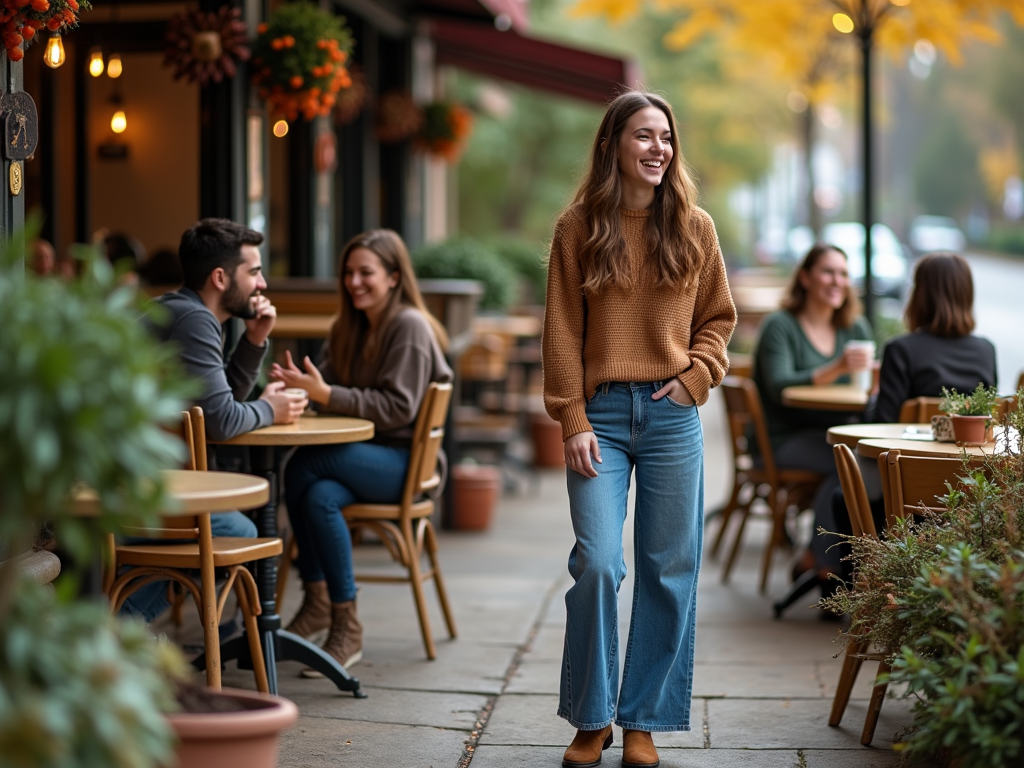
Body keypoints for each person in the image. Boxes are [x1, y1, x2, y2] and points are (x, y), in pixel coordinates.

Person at [542, 90, 736, 768]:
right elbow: (563, 329)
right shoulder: (578, 227)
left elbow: (718, 318)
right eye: (644, 136)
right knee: (597, 563)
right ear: (614, 146)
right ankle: (592, 718)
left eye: (666, 138)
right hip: (599, 417)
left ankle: (643, 721)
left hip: (672, 415)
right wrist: (570, 416)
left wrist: (695, 378)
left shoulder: (695, 227)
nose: (659, 149)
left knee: (669, 569)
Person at [270, 229, 453, 674]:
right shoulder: (348, 327)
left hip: (403, 463)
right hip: (365, 458)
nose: (354, 282)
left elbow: (396, 408)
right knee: (318, 495)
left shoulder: (408, 325)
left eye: (365, 273)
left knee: (303, 465)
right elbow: (326, 387)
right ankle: (340, 619)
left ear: (393, 277)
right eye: (348, 273)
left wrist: (325, 393)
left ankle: (320, 604)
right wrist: (295, 391)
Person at [121, 218, 307, 622]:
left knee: (231, 527)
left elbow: (215, 410)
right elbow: (222, 422)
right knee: (238, 532)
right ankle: (121, 628)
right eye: (254, 272)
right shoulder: (193, 320)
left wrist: (254, 340)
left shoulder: (185, 312)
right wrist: (270, 410)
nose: (262, 285)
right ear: (221, 277)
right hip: (126, 490)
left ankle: (124, 625)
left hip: (127, 480)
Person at [751, 243, 873, 593]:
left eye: (844, 273)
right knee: (846, 463)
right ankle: (823, 564)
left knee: (855, 461)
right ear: (805, 277)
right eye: (828, 272)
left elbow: (865, 385)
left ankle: (821, 560)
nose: (838, 281)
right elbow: (780, 386)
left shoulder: (855, 327)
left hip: (831, 433)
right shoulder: (781, 326)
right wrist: (837, 368)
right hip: (782, 438)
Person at [867, 252, 996, 424]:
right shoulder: (986, 350)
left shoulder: (900, 350)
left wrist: (873, 398)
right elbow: (988, 417)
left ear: (920, 296)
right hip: (970, 451)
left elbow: (882, 424)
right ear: (967, 295)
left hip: (910, 451)